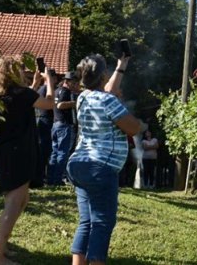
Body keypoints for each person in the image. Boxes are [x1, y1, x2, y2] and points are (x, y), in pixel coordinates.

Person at [66, 53, 140, 265]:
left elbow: (105, 93)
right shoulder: (109, 100)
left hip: (79, 164)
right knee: (102, 223)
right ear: (103, 75)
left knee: (86, 222)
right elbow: (133, 128)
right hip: (100, 167)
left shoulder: (82, 97)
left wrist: (121, 67)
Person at [0, 56, 56, 265]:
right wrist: (49, 80)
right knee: (14, 203)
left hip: (6, 151)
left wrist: (35, 84)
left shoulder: (0, 93)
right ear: (14, 72)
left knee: (20, 200)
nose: (24, 72)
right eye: (21, 69)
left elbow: (24, 103)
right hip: (18, 153)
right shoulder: (22, 94)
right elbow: (49, 103)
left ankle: (3, 249)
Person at [47, 71, 78, 186]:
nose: (75, 85)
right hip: (64, 125)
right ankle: (57, 180)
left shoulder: (56, 91)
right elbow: (60, 105)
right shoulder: (65, 91)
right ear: (67, 82)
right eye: (73, 82)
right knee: (63, 153)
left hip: (55, 124)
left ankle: (50, 179)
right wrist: (75, 103)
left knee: (54, 153)